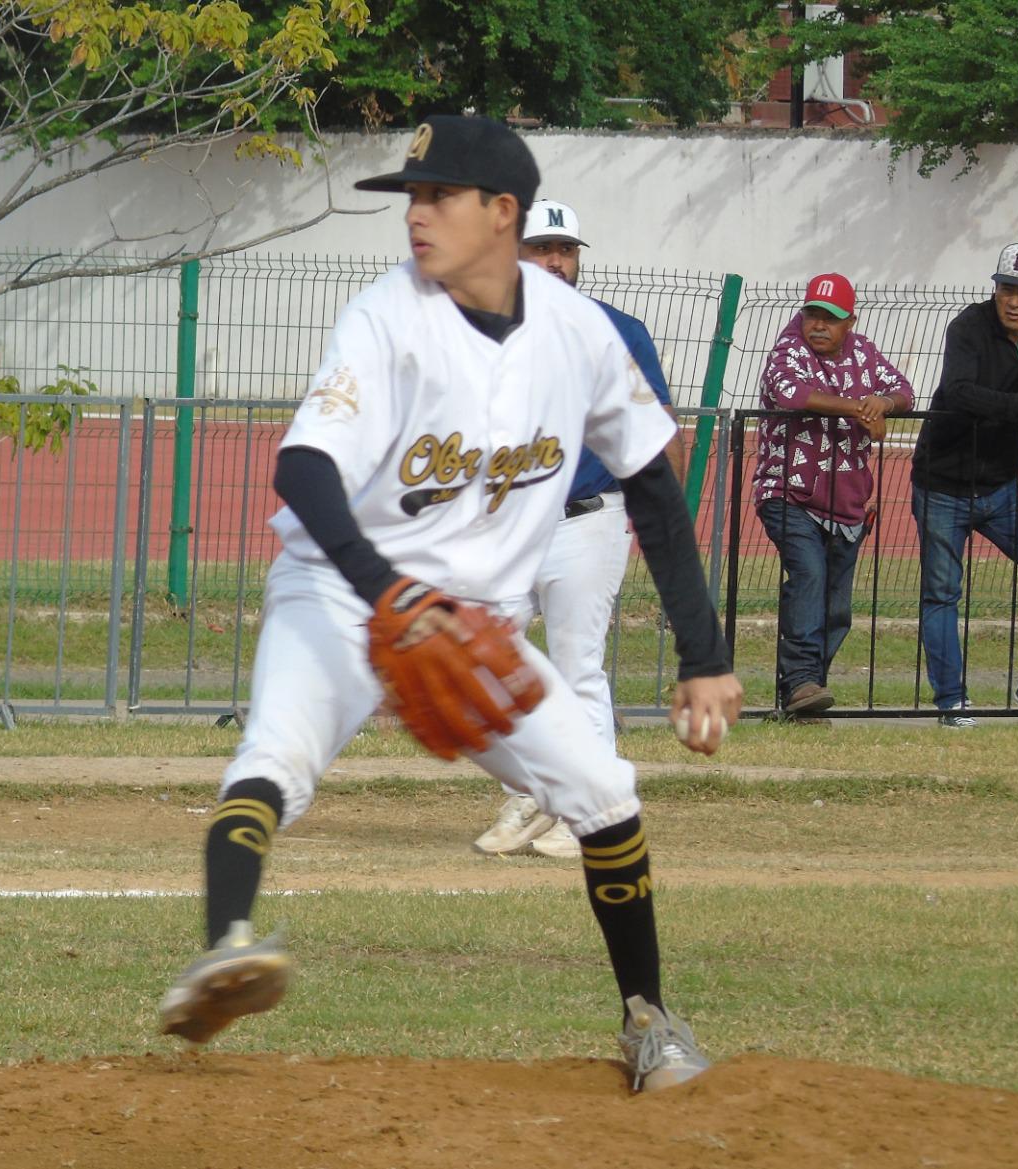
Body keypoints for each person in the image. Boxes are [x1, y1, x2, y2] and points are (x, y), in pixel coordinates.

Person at [158, 115, 744, 1093]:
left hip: (479, 628)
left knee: (602, 792)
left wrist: (703, 650)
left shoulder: (579, 335)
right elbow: (304, 465)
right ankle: (224, 949)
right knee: (274, 758)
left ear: (501, 212)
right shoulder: (386, 318)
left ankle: (648, 1016)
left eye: (436, 194)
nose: (415, 214)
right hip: (345, 593)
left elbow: (651, 480)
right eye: (410, 196)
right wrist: (388, 590)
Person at [472, 198, 687, 860]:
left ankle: (592, 812)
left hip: (588, 519)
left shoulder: (618, 330)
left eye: (566, 250)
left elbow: (660, 437)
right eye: (543, 248)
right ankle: (540, 788)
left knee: (577, 668)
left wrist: (666, 526)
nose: (556, 261)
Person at [911, 242, 1018, 730]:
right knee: (942, 593)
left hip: (1003, 485)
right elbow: (960, 392)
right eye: (1006, 288)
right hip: (942, 484)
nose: (1013, 301)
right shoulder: (967, 326)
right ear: (995, 288)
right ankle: (952, 702)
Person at [751, 273, 913, 718]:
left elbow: (904, 391)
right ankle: (801, 681)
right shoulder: (789, 350)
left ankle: (807, 693)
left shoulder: (864, 353)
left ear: (851, 322)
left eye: (831, 318)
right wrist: (859, 407)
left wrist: (884, 404)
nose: (818, 325)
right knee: (809, 576)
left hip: (848, 503)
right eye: (812, 315)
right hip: (788, 492)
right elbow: (790, 392)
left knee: (837, 605)